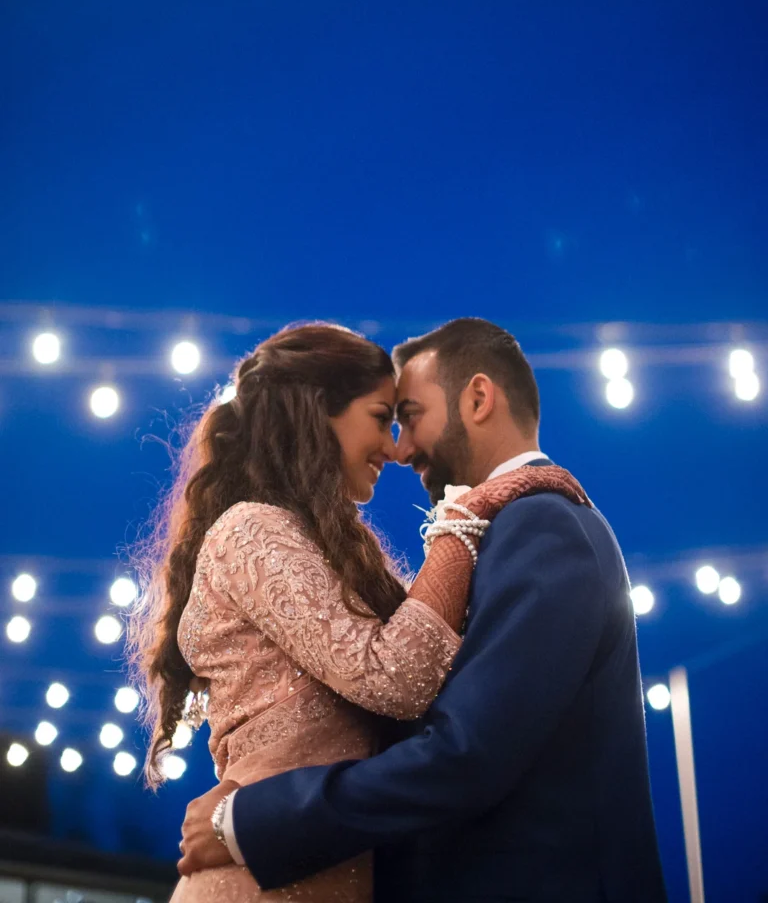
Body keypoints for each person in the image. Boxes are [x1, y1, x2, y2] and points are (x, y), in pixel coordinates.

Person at [178, 318, 668, 903]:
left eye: (409, 416)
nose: (402, 448)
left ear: (478, 399)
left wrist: (250, 819)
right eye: (388, 420)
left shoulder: (542, 525)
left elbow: (464, 752)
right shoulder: (506, 528)